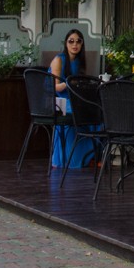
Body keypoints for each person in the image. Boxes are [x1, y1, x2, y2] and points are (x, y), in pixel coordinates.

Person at [49, 30, 96, 169]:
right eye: (71, 41)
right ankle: (70, 159)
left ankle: (88, 156)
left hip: (73, 100)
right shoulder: (59, 59)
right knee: (86, 111)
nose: (75, 44)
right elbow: (55, 87)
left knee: (96, 111)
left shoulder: (78, 61)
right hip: (59, 102)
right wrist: (70, 83)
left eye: (78, 41)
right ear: (66, 43)